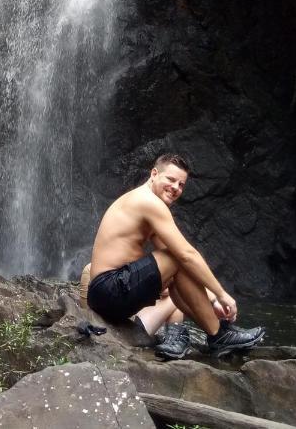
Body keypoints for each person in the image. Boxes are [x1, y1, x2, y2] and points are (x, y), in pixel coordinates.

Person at [87, 153, 264, 359]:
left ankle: (219, 332)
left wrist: (213, 299)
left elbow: (181, 269)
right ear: (154, 174)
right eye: (170, 179)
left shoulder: (143, 203)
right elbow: (186, 255)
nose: (176, 188)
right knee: (176, 257)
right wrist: (223, 295)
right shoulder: (148, 202)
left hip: (108, 294)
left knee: (174, 269)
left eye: (181, 184)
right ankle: (218, 334)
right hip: (109, 289)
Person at [80, 261, 186, 358]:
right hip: (126, 331)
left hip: (98, 325)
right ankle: (175, 340)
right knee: (174, 298)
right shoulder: (128, 269)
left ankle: (174, 338)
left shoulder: (92, 268)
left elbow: (85, 307)